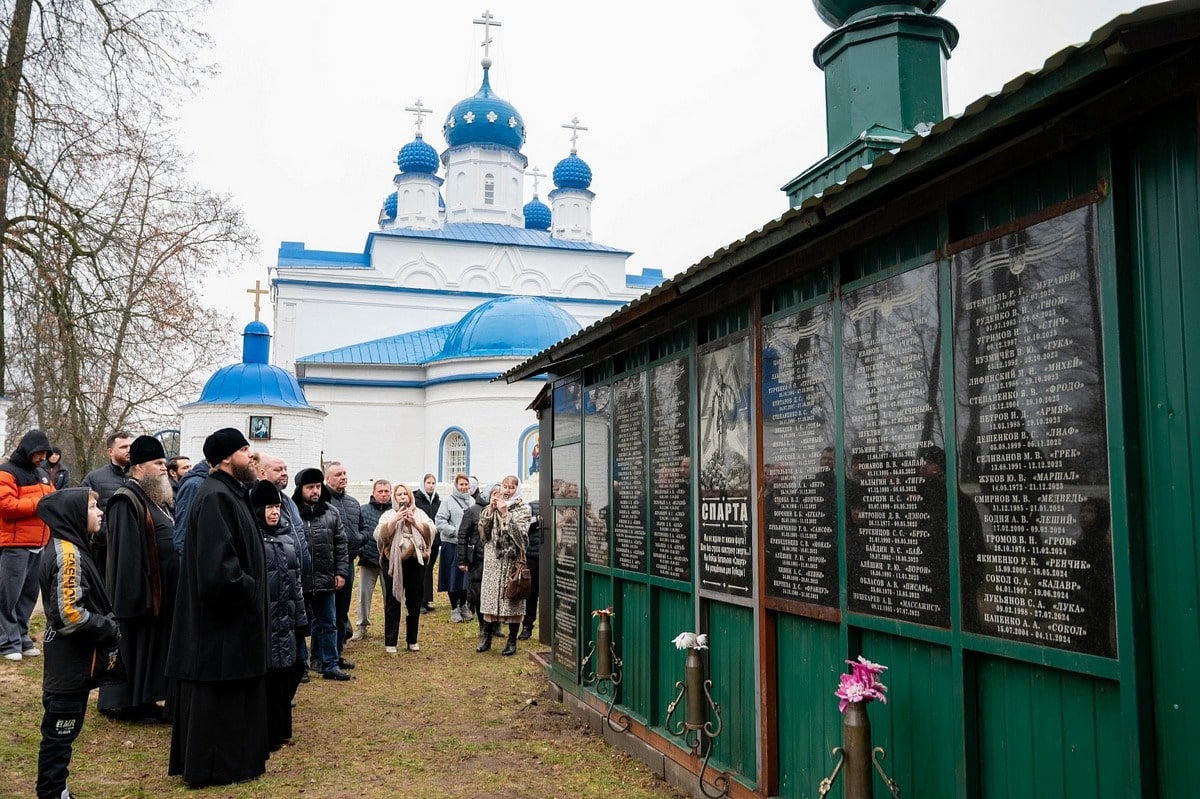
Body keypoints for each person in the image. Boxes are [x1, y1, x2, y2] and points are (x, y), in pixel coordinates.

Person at [165, 428, 270, 788]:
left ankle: (235, 761)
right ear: (226, 458)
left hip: (234, 625)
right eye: (245, 450)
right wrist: (251, 590)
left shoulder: (232, 494)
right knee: (216, 700)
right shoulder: (214, 498)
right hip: (220, 628)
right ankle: (215, 766)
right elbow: (218, 571)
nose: (251, 456)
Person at [35, 488, 122, 799]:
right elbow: (70, 614)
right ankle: (52, 791)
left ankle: (58, 787)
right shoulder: (67, 554)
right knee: (59, 732)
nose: (99, 512)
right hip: (67, 665)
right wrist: (108, 628)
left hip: (73, 663)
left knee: (66, 731)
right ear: (73, 514)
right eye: (92, 506)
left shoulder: (75, 546)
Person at [98, 436, 179, 723]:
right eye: (157, 463)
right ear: (139, 467)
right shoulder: (125, 499)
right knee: (133, 647)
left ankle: (144, 699)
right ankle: (126, 704)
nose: (163, 469)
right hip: (137, 594)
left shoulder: (156, 498)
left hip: (158, 591)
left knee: (150, 648)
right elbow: (125, 554)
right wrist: (135, 595)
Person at [249, 480, 307, 750]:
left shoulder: (286, 537)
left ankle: (282, 729)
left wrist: (301, 619)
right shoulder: (253, 539)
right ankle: (267, 733)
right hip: (267, 620)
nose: (274, 512)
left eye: (277, 507)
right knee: (270, 678)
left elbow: (296, 583)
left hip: (287, 617)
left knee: (289, 672)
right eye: (269, 507)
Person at [0, 429, 55, 661]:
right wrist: (41, 501)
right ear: (28, 450)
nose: (43, 457)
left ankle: (20, 636)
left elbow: (54, 498)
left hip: (38, 544)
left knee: (29, 596)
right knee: (7, 596)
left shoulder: (42, 473)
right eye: (39, 453)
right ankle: (6, 641)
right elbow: (7, 505)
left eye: (45, 453)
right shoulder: (6, 473)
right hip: (14, 545)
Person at [293, 467, 351, 680]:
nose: (315, 491)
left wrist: (341, 572)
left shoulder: (330, 512)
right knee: (299, 626)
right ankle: (301, 667)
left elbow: (341, 544)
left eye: (318, 486)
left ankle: (330, 665)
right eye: (310, 487)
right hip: (301, 580)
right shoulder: (292, 513)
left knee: (329, 623)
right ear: (301, 489)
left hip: (327, 578)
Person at [374, 482, 434, 653]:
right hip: (393, 561)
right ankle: (390, 641)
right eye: (399, 494)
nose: (402, 497)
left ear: (410, 497)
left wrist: (414, 522)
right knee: (393, 600)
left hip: (416, 561)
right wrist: (395, 520)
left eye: (405, 494)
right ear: (394, 498)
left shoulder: (420, 513)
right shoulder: (388, 514)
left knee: (414, 601)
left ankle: (412, 640)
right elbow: (379, 535)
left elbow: (431, 532)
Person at [477, 475, 531, 656]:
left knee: (513, 598)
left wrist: (507, 514)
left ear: (517, 489)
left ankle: (512, 640)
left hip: (512, 561)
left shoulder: (523, 508)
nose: (507, 491)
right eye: (505, 487)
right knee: (490, 598)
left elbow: (522, 536)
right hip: (494, 560)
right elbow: (483, 534)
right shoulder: (491, 506)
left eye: (511, 487)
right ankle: (486, 636)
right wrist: (490, 511)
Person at [80, 431, 132, 582]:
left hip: (134, 546)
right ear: (110, 451)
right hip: (105, 549)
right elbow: (83, 510)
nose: (129, 450)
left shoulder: (140, 477)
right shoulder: (94, 478)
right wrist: (102, 535)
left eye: (130, 446)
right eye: (123, 447)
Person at [324, 462, 364, 660]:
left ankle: (339, 647)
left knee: (342, 608)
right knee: (326, 611)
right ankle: (324, 651)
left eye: (345, 473)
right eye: (338, 474)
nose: (343, 477)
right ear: (328, 478)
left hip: (348, 561)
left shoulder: (353, 503)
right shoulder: (323, 504)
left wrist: (360, 539)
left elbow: (362, 528)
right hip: (327, 563)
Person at [353, 479, 391, 641]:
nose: (383, 494)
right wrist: (361, 550)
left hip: (388, 561)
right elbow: (358, 532)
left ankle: (390, 626)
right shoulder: (363, 510)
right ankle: (362, 626)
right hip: (368, 559)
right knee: (363, 595)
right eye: (380, 491)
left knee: (390, 595)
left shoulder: (394, 512)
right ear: (373, 493)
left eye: (386, 491)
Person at [435, 473, 474, 623]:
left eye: (466, 484)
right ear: (456, 485)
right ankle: (454, 608)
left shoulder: (472, 501)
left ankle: (463, 604)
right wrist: (455, 531)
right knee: (453, 576)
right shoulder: (448, 502)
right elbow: (440, 521)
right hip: (451, 544)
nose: (464, 487)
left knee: (465, 578)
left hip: (467, 546)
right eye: (461, 484)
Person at [458, 484, 494, 643]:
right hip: (477, 558)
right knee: (478, 593)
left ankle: (496, 625)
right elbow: (463, 536)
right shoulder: (472, 511)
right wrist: (462, 559)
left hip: (495, 559)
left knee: (494, 593)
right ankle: (482, 625)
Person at [171, 457, 209, 556]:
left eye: (190, 466)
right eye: (185, 467)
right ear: (173, 472)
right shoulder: (192, 485)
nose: (189, 470)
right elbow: (183, 525)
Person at [414, 473, 440, 613]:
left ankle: (426, 599)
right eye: (428, 483)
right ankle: (418, 601)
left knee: (428, 571)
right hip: (420, 541)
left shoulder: (437, 500)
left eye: (433, 483)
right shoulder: (416, 500)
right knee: (421, 571)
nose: (430, 485)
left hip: (433, 542)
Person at [518, 500, 541, 640]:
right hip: (533, 554)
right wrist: (537, 521)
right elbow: (524, 528)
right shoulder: (533, 506)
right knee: (531, 592)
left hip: (556, 556)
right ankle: (527, 626)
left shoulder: (566, 506)